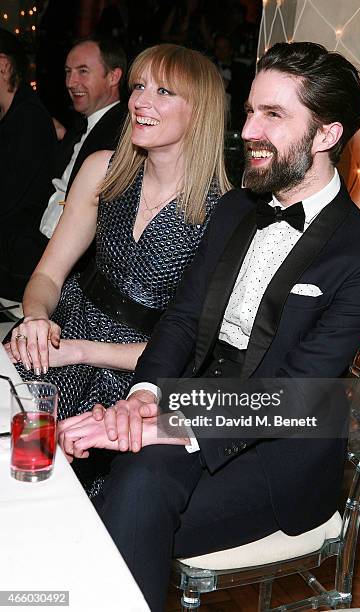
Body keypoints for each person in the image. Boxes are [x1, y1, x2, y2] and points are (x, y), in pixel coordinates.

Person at [57, 42, 360, 611]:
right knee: (109, 492)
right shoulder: (238, 206)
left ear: (326, 136)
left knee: (123, 504)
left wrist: (163, 424)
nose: (247, 130)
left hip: (276, 450)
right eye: (248, 112)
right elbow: (183, 318)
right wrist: (143, 399)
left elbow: (299, 389)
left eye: (273, 116)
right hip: (191, 400)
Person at [6, 44, 230, 498]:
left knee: (75, 496)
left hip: (140, 375)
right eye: (139, 87)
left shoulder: (223, 214)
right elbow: (48, 276)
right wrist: (35, 320)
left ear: (200, 109)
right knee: (16, 454)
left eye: (163, 91)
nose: (140, 102)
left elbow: (190, 350)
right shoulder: (102, 171)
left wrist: (81, 351)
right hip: (66, 332)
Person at [0, 36, 127, 301]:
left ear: (113, 76)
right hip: (35, 241)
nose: (71, 83)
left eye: (83, 71)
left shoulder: (121, 134)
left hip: (64, 262)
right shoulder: (83, 126)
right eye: (68, 72)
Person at [0, 28, 57, 302]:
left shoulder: (28, 119)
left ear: (2, 66)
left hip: (18, 264)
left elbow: (10, 200)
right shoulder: (14, 113)